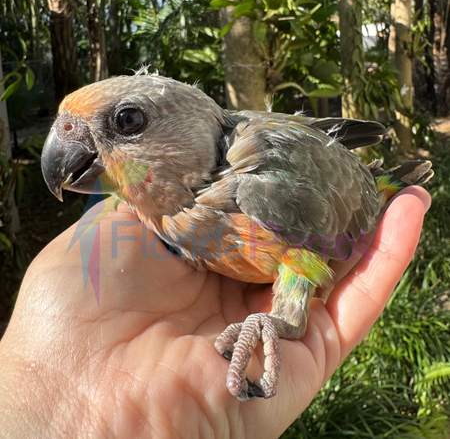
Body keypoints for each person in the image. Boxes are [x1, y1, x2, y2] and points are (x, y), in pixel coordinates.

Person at [0, 187, 430, 438]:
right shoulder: (147, 203)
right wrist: (53, 390)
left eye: (128, 121)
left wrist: (270, 320)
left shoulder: (256, 183)